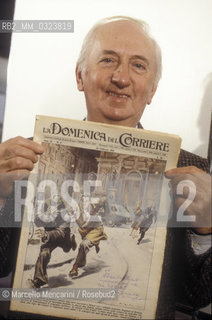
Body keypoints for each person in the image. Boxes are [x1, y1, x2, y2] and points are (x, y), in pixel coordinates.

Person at [0, 16, 211, 319]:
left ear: (151, 90)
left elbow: (196, 295)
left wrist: (206, 231)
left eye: (138, 65)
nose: (121, 78)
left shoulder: (193, 170)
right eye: (108, 59)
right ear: (80, 76)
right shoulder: (25, 157)